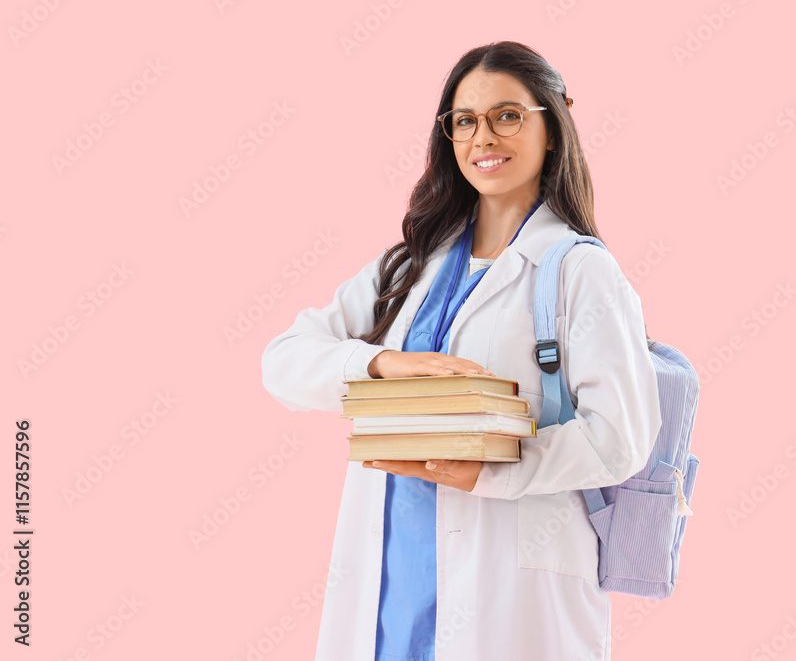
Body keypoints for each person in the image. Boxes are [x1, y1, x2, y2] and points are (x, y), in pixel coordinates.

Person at [261, 40, 661, 661]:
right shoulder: (411, 264)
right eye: (465, 121)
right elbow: (283, 361)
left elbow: (622, 436)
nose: (483, 138)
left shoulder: (581, 273)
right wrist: (376, 363)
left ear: (552, 126)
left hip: (510, 577)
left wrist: (494, 466)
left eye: (508, 115)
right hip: (389, 570)